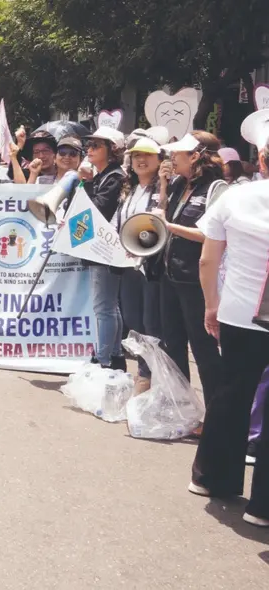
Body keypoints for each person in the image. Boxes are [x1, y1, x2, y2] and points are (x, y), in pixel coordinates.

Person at [189, 125, 269, 527]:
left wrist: (210, 306)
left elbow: (208, 260)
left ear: (261, 160)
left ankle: (211, 480)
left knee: (231, 394)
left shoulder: (235, 196)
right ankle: (263, 507)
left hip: (238, 314)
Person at [156, 131, 228, 406]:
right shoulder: (176, 184)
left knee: (203, 349)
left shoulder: (216, 188)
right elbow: (164, 214)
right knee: (172, 344)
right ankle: (183, 408)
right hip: (169, 275)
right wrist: (163, 184)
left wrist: (169, 226)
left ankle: (215, 413)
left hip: (196, 282)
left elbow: (211, 235)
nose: (172, 159)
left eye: (178, 154)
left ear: (195, 156)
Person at [116, 138, 163, 394]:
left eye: (147, 156)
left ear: (159, 160)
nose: (140, 161)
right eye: (135, 157)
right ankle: (144, 372)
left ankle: (148, 375)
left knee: (151, 323)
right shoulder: (129, 189)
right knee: (133, 320)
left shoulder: (163, 188)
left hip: (151, 267)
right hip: (128, 265)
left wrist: (165, 185)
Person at [79, 126, 128, 370]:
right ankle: (114, 354)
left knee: (104, 308)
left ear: (112, 150)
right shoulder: (105, 175)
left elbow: (97, 210)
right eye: (89, 145)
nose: (89, 149)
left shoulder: (115, 177)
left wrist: (87, 184)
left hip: (105, 248)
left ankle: (104, 359)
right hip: (104, 248)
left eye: (96, 145)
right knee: (109, 306)